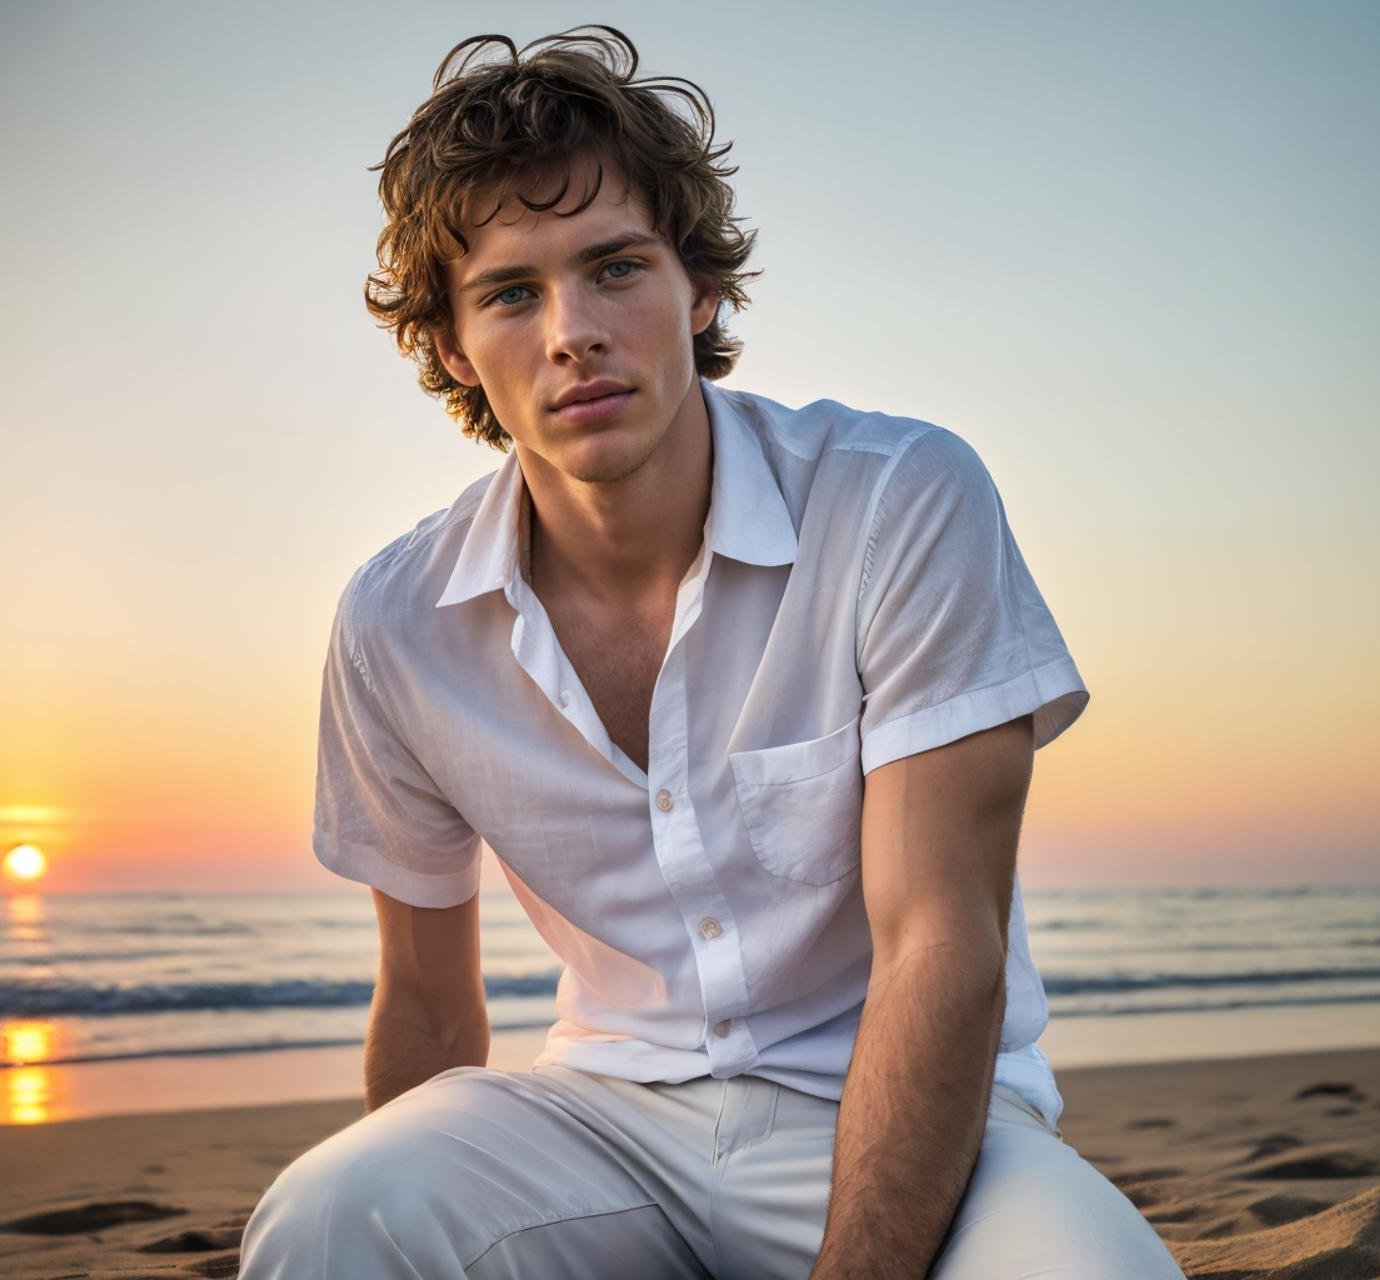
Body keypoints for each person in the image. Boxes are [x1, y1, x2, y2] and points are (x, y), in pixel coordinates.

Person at [239, 24, 1185, 1280]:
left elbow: (940, 941)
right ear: (455, 348)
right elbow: (424, 1000)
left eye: (615, 266)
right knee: (330, 1213)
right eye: (512, 292)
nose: (573, 329)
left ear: (699, 289)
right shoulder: (398, 619)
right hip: (604, 1116)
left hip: (910, 1114)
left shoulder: (896, 497)